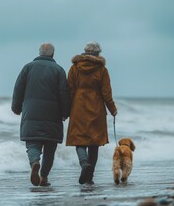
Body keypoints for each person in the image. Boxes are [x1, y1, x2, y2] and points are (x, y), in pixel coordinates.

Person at [12, 43, 70, 186]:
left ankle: (34, 162)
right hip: (53, 115)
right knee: (50, 149)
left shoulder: (28, 67)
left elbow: (18, 89)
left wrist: (16, 108)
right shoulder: (59, 70)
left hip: (31, 113)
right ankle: (44, 177)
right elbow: (64, 94)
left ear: (39, 53)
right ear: (52, 54)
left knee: (32, 144)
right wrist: (65, 113)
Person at [66, 42, 117, 185]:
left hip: (78, 107)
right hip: (96, 108)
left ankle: (84, 164)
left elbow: (69, 90)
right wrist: (112, 109)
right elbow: (106, 93)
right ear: (98, 54)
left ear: (85, 52)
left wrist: (66, 110)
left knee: (79, 139)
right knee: (94, 144)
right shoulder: (102, 70)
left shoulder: (74, 68)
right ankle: (89, 177)